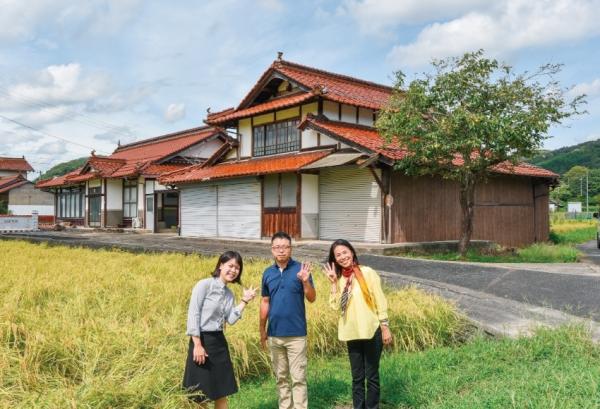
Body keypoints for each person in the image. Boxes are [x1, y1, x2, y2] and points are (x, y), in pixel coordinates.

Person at [323, 239, 393, 409]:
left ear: (352, 252)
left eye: (345, 252)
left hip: (371, 330)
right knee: (357, 378)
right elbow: (335, 307)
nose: (342, 257)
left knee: (372, 376)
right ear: (334, 259)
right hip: (352, 333)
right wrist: (333, 283)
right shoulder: (338, 279)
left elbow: (379, 300)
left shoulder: (367, 273)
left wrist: (385, 327)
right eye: (338, 255)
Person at [183, 251, 257, 408]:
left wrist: (244, 301)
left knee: (221, 391)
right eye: (230, 266)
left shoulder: (229, 294)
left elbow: (230, 319)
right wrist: (197, 345)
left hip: (219, 343)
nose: (233, 270)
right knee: (199, 394)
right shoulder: (204, 285)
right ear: (220, 265)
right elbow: (193, 314)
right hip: (201, 341)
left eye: (237, 268)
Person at [259, 231, 316, 409]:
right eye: (277, 247)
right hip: (274, 334)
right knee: (281, 377)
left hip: (296, 334)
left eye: (285, 247)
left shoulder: (301, 269)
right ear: (272, 250)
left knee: (298, 378)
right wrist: (262, 330)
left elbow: (312, 298)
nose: (281, 251)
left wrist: (306, 282)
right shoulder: (267, 273)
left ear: (291, 249)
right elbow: (265, 302)